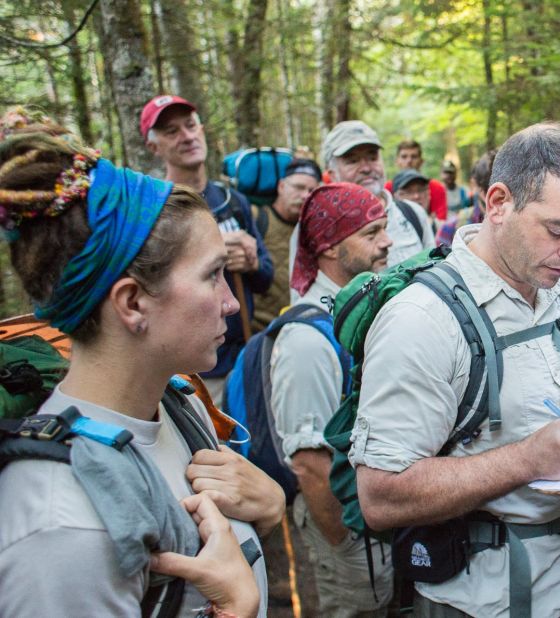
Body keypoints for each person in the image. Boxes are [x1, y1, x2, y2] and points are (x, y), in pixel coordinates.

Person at [350, 123, 560, 617]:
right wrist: (525, 460)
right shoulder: (422, 321)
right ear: (498, 203)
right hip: (481, 600)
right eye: (557, 231)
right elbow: (380, 497)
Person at [0, 111, 285, 616]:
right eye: (212, 276)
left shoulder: (177, 403)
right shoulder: (61, 527)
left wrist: (268, 511)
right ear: (132, 304)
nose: (232, 303)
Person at [271, 183, 394, 617]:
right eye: (371, 233)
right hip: (348, 532)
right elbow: (309, 464)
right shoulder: (307, 339)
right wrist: (346, 544)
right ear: (327, 248)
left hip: (375, 525)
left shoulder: (359, 305)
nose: (387, 241)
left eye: (385, 228)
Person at [141, 94, 274, 403]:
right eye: (172, 131)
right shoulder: (155, 209)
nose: (186, 136)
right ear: (153, 146)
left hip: (245, 359)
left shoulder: (233, 201)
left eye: (190, 125)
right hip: (193, 371)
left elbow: (266, 278)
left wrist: (252, 261)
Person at [320, 121, 432, 266]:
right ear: (332, 174)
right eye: (353, 161)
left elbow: (435, 274)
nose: (366, 168)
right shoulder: (321, 229)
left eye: (373, 158)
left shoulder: (413, 213)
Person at [253, 157, 321, 326]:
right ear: (281, 186)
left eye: (311, 190)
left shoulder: (316, 229)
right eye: (298, 187)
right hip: (260, 330)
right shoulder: (257, 219)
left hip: (302, 326)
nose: (305, 195)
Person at [435, 149, 493, 247]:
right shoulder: (438, 191)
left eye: (451, 173)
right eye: (446, 173)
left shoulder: (463, 191)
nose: (448, 176)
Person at [385, 139, 447, 221]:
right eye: (404, 157)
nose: (409, 161)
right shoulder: (388, 188)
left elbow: (441, 223)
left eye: (414, 157)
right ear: (397, 161)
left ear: (421, 161)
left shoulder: (436, 187)